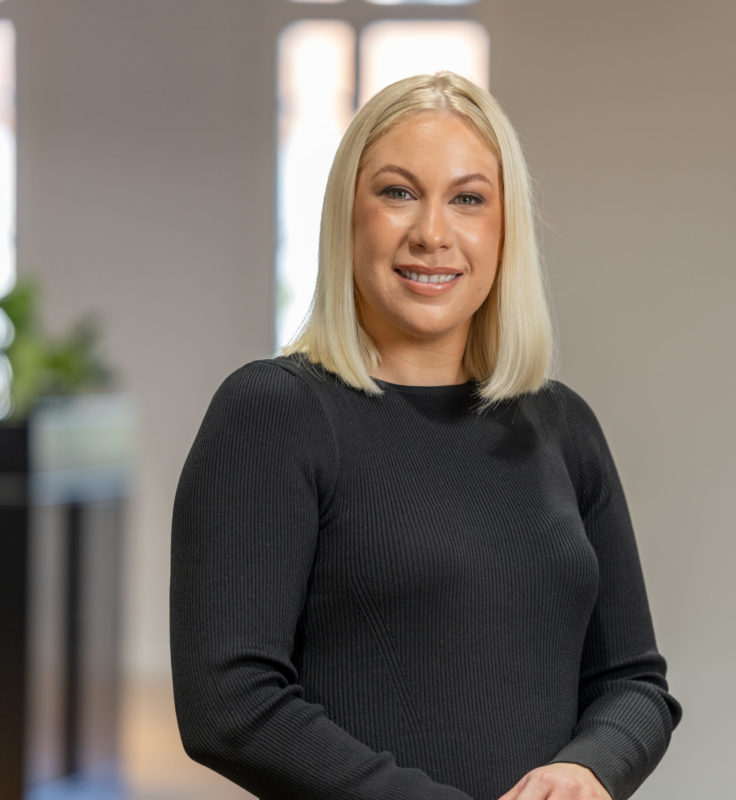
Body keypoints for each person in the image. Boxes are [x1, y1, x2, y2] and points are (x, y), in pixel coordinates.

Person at [170, 72, 681, 800]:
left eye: (468, 199)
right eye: (398, 192)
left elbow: (633, 682)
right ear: (348, 216)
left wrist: (588, 768)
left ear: (504, 229)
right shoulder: (273, 413)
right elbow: (229, 705)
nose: (432, 234)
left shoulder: (563, 425)